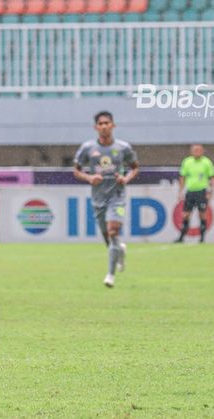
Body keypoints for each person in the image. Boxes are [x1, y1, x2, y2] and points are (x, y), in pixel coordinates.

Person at [73, 111, 139, 288]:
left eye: (106, 123)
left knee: (113, 231)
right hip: (98, 198)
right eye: (100, 124)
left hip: (117, 196)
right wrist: (89, 178)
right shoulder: (88, 148)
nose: (103, 126)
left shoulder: (123, 147)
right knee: (108, 238)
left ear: (113, 126)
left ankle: (110, 275)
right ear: (96, 127)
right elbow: (76, 170)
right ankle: (120, 250)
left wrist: (125, 179)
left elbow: (134, 168)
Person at [174, 144, 214, 243]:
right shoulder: (187, 162)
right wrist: (180, 192)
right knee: (185, 214)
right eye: (195, 150)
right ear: (191, 151)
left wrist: (211, 191)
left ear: (202, 151)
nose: (197, 152)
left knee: (202, 214)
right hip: (190, 192)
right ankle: (181, 237)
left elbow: (212, 178)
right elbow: (182, 177)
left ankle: (202, 238)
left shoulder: (207, 162)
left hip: (202, 191)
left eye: (199, 150)